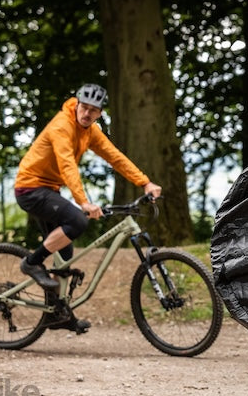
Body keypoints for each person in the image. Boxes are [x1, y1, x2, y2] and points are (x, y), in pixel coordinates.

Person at [15, 84, 162, 317]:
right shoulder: (62, 126)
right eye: (83, 107)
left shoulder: (90, 131)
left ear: (100, 114)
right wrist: (83, 202)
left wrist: (145, 182)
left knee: (64, 253)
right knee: (77, 221)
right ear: (77, 104)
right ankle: (32, 263)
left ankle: (55, 314)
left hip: (49, 190)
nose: (86, 113)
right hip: (30, 189)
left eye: (93, 110)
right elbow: (67, 165)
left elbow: (115, 157)